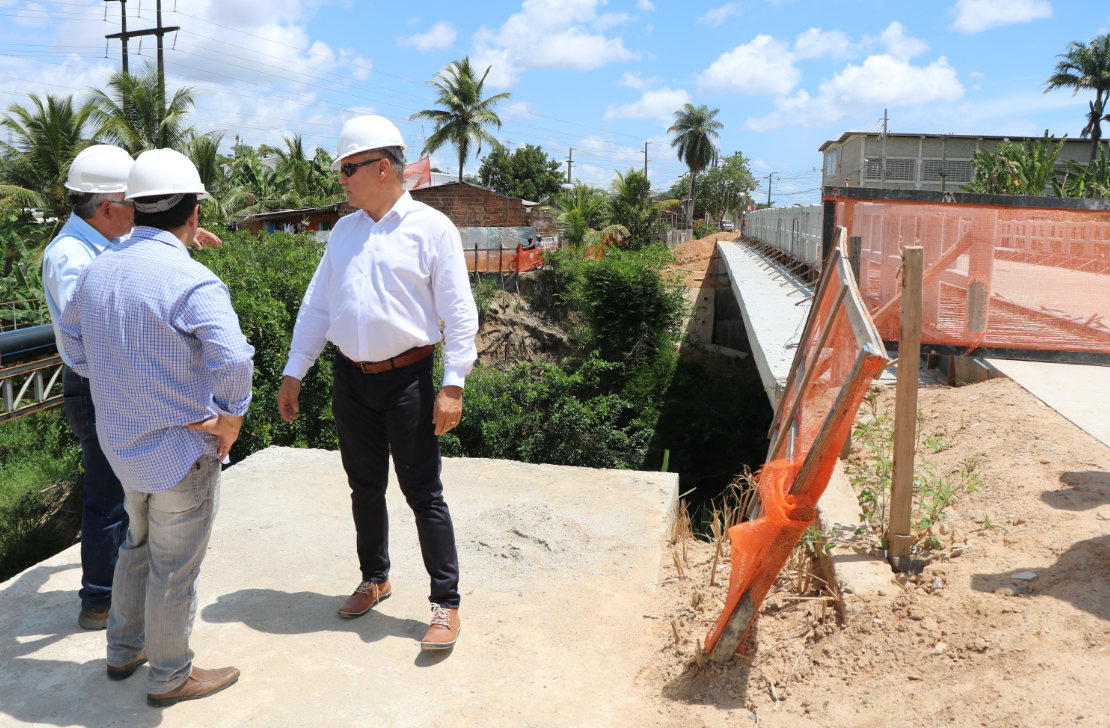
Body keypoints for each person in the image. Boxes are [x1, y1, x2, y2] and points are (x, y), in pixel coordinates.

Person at [59, 148, 253, 707]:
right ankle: (170, 675)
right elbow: (234, 361)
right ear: (193, 213)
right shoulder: (192, 281)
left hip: (122, 446)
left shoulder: (97, 270)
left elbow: (72, 344)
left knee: (135, 544)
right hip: (178, 453)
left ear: (135, 208)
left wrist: (123, 386)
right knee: (174, 568)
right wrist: (231, 419)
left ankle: (123, 648)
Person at [276, 115, 477, 650]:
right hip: (351, 379)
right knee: (364, 487)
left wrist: (453, 383)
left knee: (422, 492)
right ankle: (375, 577)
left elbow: (459, 314)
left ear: (381, 166)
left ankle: (445, 604)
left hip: (409, 380)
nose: (341, 178)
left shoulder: (432, 230)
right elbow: (318, 306)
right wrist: (296, 369)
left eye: (348, 168)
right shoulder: (345, 231)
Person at [43, 145, 221, 631]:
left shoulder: (100, 246)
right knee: (106, 495)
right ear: (107, 208)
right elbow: (100, 326)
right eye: (133, 204)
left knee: (129, 500)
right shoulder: (70, 257)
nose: (139, 213)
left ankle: (121, 614)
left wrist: (175, 238)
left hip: (114, 379)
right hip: (100, 380)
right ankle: (100, 600)